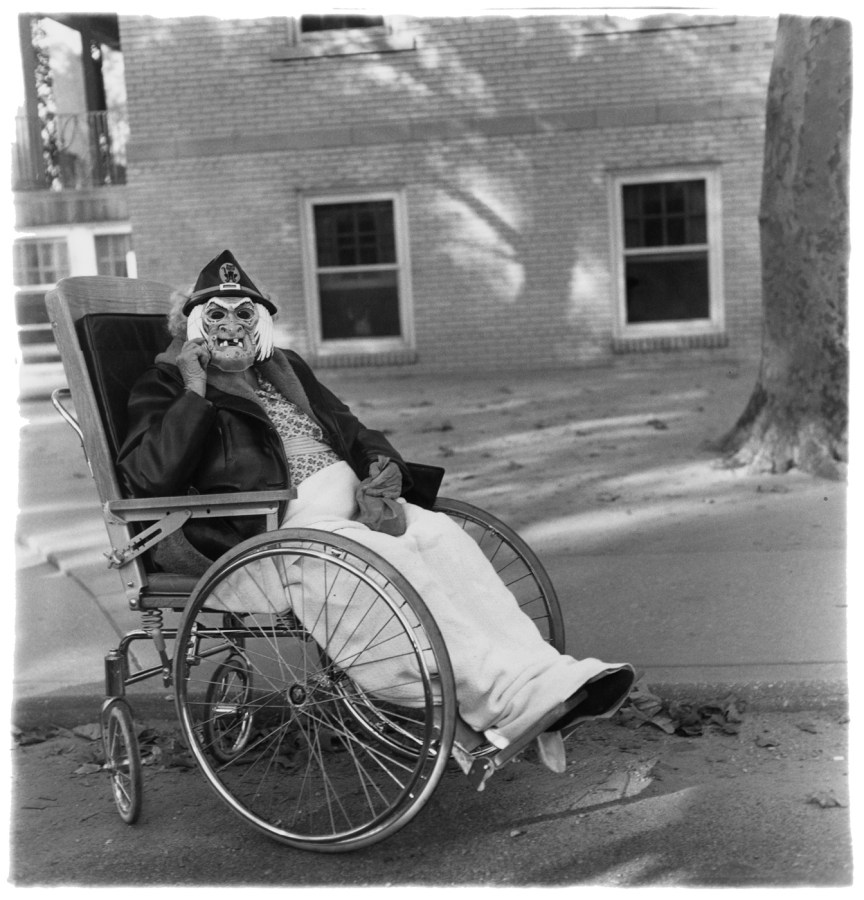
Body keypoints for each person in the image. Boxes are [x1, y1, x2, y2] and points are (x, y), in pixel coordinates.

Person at [117, 250, 635, 762]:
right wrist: (194, 391)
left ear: (261, 324)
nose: (230, 325)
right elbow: (151, 475)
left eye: (244, 313)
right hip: (263, 534)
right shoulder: (166, 385)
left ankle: (544, 678)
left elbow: (352, 430)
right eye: (215, 315)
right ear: (190, 328)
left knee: (441, 538)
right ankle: (500, 699)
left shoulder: (282, 368)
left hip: (351, 515)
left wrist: (380, 466)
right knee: (399, 570)